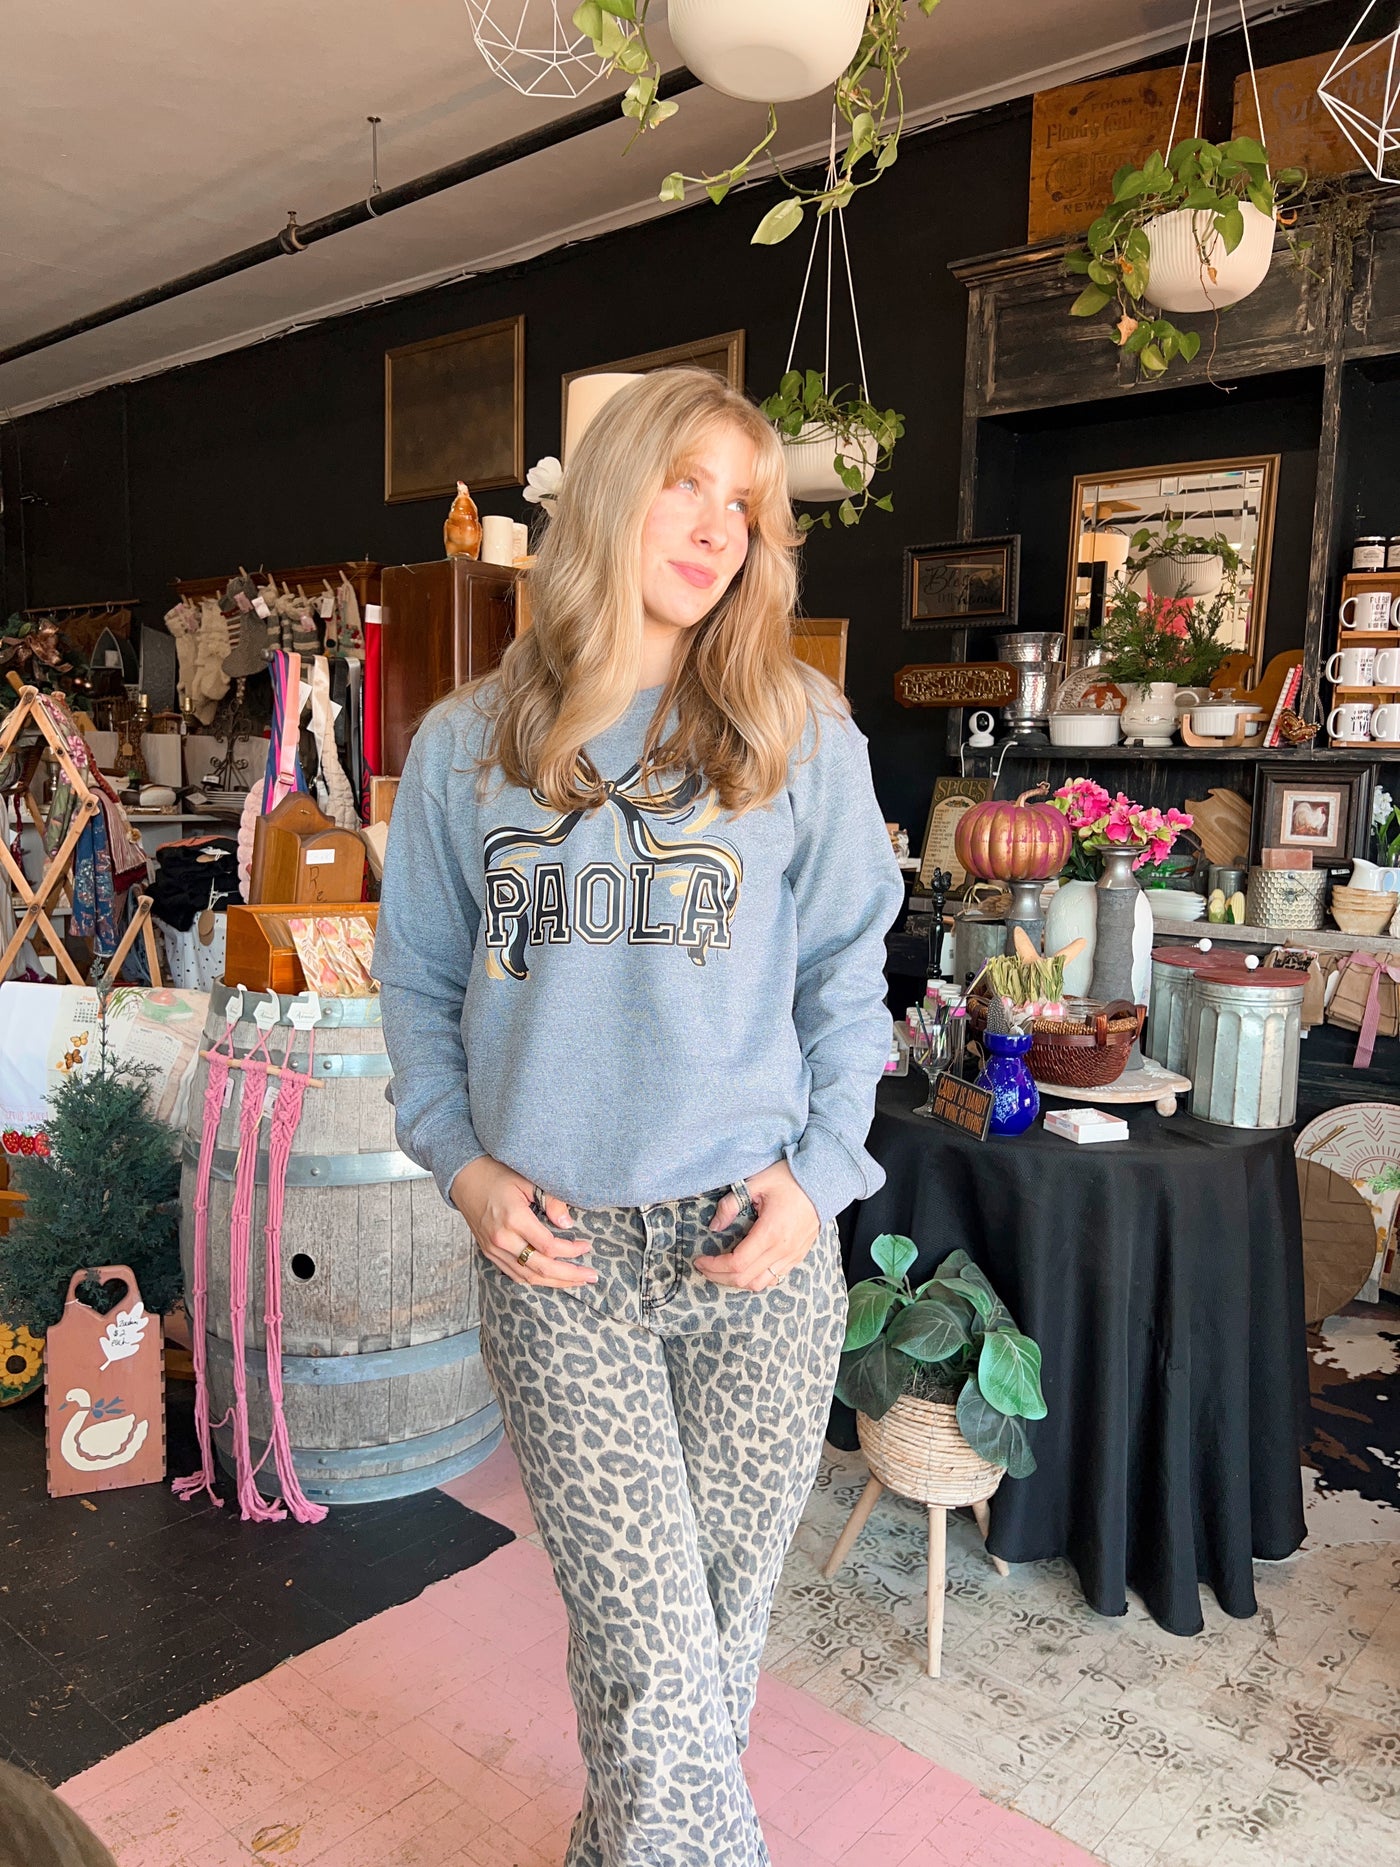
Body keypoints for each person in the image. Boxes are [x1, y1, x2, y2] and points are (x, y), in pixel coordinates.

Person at [375, 368, 904, 1867]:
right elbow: (417, 985)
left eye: (745, 504)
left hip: (757, 1242)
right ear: (611, 493)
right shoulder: (467, 747)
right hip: (562, 1258)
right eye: (686, 483)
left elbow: (848, 977)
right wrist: (463, 1168)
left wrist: (821, 1176)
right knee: (649, 1643)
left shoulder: (797, 729)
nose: (718, 527)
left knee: (715, 1632)